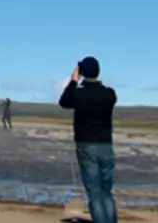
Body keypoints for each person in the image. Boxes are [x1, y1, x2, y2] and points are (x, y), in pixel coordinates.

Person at [59, 57, 118, 223]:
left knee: (95, 193)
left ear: (83, 72)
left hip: (87, 145)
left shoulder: (80, 94)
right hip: (106, 145)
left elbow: (64, 102)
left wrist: (73, 81)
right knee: (106, 192)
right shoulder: (109, 94)